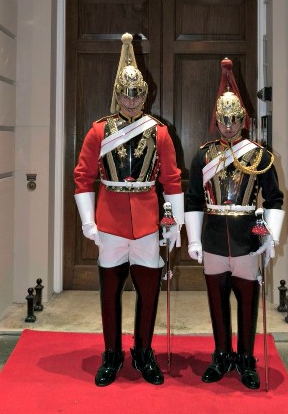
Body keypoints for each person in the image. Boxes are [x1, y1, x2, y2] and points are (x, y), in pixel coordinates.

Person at [74, 33, 184, 387]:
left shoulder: (160, 133)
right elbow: (83, 177)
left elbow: (172, 180)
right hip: (109, 222)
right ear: (117, 92)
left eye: (138, 94)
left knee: (148, 292)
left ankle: (143, 351)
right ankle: (111, 353)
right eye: (126, 92)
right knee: (110, 293)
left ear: (146, 94)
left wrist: (174, 224)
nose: (132, 99)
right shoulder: (98, 131)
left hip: (149, 223)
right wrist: (88, 220)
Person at [185, 58, 284, 390]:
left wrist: (270, 237)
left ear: (243, 120)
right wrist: (194, 240)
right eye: (223, 120)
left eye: (234, 120)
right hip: (213, 237)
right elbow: (193, 199)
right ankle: (221, 355)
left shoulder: (259, 155)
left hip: (245, 238)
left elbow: (274, 199)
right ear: (217, 120)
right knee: (216, 303)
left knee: (247, 303)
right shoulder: (203, 155)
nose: (228, 126)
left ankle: (245, 359)